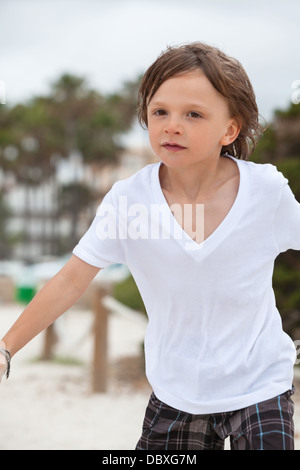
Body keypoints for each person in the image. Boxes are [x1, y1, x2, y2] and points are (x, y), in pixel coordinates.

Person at [0, 42, 298, 450]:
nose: (172, 125)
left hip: (260, 383)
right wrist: (6, 348)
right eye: (160, 112)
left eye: (193, 114)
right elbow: (71, 280)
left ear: (230, 128)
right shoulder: (128, 201)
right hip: (176, 391)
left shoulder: (266, 192)